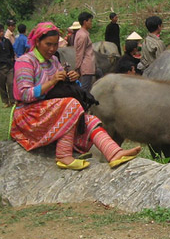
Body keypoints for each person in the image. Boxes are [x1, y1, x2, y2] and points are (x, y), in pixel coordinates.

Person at [10, 22, 141, 170]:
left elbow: (62, 87)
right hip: (29, 114)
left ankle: (114, 152)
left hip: (50, 110)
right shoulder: (25, 62)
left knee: (89, 119)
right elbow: (24, 94)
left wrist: (71, 78)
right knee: (72, 105)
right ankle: (63, 154)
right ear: (37, 41)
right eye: (48, 44)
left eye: (55, 45)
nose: (52, 49)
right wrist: (52, 81)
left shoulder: (53, 60)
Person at [74, 12, 96, 92]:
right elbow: (80, 53)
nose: (91, 23)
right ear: (85, 22)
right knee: (85, 89)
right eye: (90, 21)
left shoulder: (82, 34)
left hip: (88, 65)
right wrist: (77, 68)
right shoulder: (83, 36)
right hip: (86, 66)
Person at [0, 24, 15, 107]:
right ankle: (5, 101)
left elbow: (11, 51)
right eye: (0, 31)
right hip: (1, 67)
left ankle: (12, 100)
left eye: (2, 31)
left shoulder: (7, 41)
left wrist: (12, 59)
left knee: (10, 83)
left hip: (9, 65)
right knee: (2, 85)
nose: (1, 33)